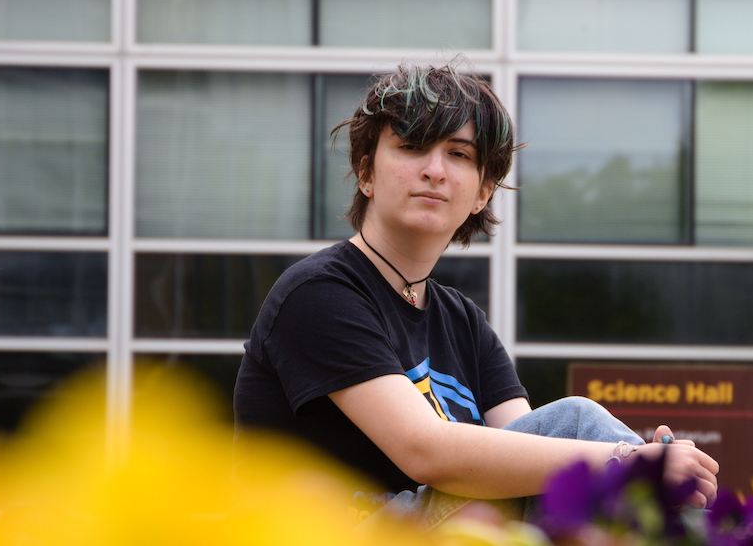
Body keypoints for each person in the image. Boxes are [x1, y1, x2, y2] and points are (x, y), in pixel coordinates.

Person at [233, 63, 719, 528]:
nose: (434, 171)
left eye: (459, 154)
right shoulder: (319, 293)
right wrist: (625, 459)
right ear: (366, 174)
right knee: (578, 422)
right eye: (410, 147)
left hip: (445, 525)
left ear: (483, 192)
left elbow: (528, 459)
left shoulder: (462, 321)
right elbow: (425, 452)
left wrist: (645, 467)